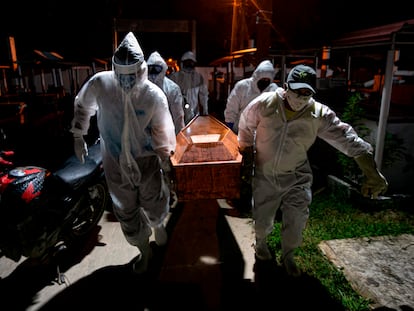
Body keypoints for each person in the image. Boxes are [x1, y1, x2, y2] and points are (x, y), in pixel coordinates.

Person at [238, 64, 388, 277]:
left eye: (306, 92)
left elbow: (348, 139)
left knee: (296, 220)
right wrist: (246, 154)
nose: (300, 97)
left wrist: (372, 174)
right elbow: (245, 125)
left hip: (296, 175)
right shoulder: (265, 104)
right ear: (285, 86)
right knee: (262, 217)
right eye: (296, 90)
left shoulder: (317, 114)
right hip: (266, 172)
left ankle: (288, 255)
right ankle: (261, 243)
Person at [70, 32, 176, 274]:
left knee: (154, 201)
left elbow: (163, 129)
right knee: (125, 210)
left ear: (141, 70)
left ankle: (158, 225)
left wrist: (165, 159)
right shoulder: (101, 84)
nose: (127, 82)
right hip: (114, 162)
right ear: (114, 70)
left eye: (132, 76)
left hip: (146, 161)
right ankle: (143, 250)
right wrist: (78, 134)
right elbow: (82, 105)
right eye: (122, 76)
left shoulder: (153, 95)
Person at [224, 59, 278, 134]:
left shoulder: (273, 90)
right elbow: (232, 107)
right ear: (257, 76)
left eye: (267, 80)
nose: (265, 81)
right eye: (262, 79)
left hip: (262, 134)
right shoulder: (243, 86)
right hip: (240, 130)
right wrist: (229, 126)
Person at [147, 51, 185, 135]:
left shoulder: (172, 89)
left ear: (163, 68)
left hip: (166, 135)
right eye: (151, 68)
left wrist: (180, 137)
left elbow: (178, 116)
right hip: (146, 136)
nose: (153, 72)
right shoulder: (142, 87)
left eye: (157, 68)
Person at [168, 50, 209, 124]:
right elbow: (169, 94)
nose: (189, 65)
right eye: (187, 62)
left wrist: (205, 110)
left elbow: (204, 95)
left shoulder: (198, 77)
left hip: (194, 111)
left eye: (191, 63)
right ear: (182, 63)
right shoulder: (175, 77)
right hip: (178, 110)